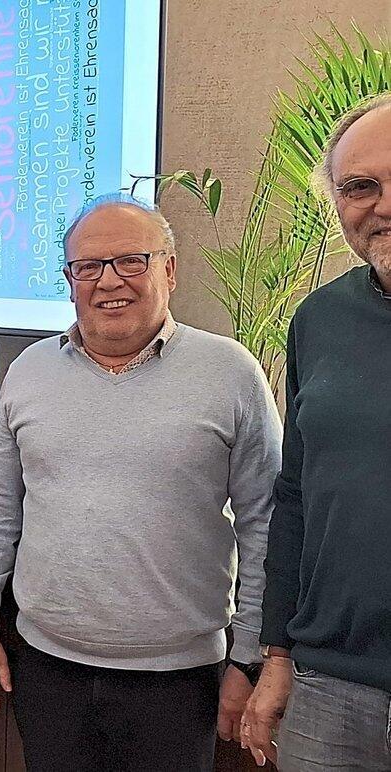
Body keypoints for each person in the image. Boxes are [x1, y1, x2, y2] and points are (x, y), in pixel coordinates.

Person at [0, 194, 281, 772]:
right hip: (47, 668)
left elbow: (265, 523)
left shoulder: (230, 373)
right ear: (70, 281)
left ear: (169, 270)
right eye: (88, 266)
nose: (109, 281)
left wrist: (250, 655)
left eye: (132, 260)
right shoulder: (28, 371)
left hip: (180, 679)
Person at [241, 94, 391, 771]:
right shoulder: (319, 320)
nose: (383, 205)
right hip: (329, 689)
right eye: (360, 187)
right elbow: (296, 497)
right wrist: (277, 655)